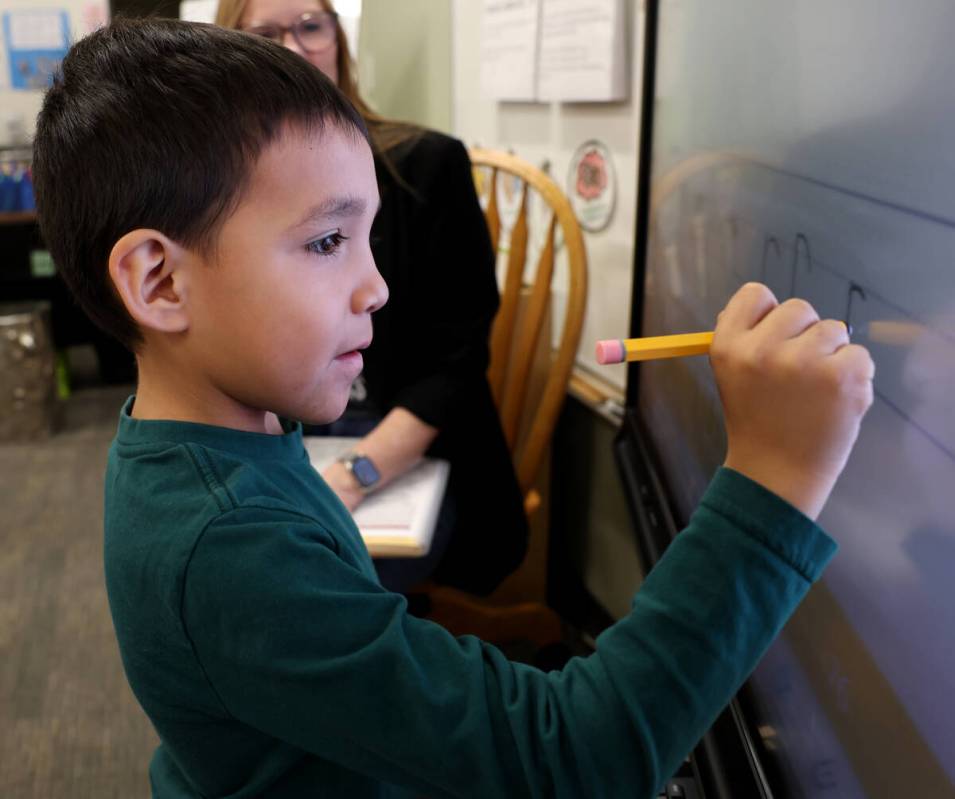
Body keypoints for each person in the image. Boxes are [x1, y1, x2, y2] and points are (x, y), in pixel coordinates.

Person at [32, 19, 875, 799]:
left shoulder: (208, 431)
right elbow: (577, 758)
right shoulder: (227, 545)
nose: (377, 285)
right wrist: (773, 477)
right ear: (159, 281)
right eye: (327, 241)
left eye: (368, 237)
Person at [215, 0, 528, 595]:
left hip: (415, 442)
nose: (295, 49)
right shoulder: (219, 189)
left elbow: (455, 362)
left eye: (311, 26)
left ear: (338, 37)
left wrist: (354, 477)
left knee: (312, 584)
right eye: (265, 34)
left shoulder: (427, 165)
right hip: (287, 434)